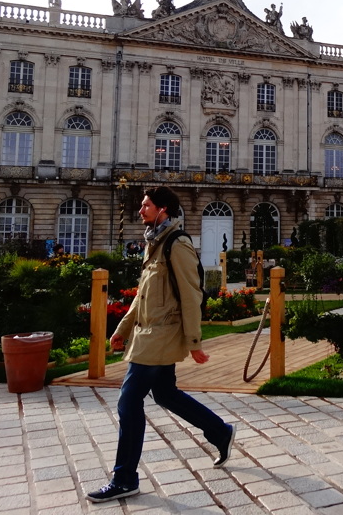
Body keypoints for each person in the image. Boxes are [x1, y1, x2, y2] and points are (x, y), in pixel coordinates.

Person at [86, 186, 234, 503]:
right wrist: (123, 328)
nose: (141, 210)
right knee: (165, 394)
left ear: (163, 209)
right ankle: (220, 431)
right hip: (149, 332)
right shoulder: (154, 243)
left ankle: (125, 478)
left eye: (147, 205)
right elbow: (143, 294)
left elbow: (192, 294)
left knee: (128, 401)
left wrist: (195, 341)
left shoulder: (176, 244)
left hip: (162, 335)